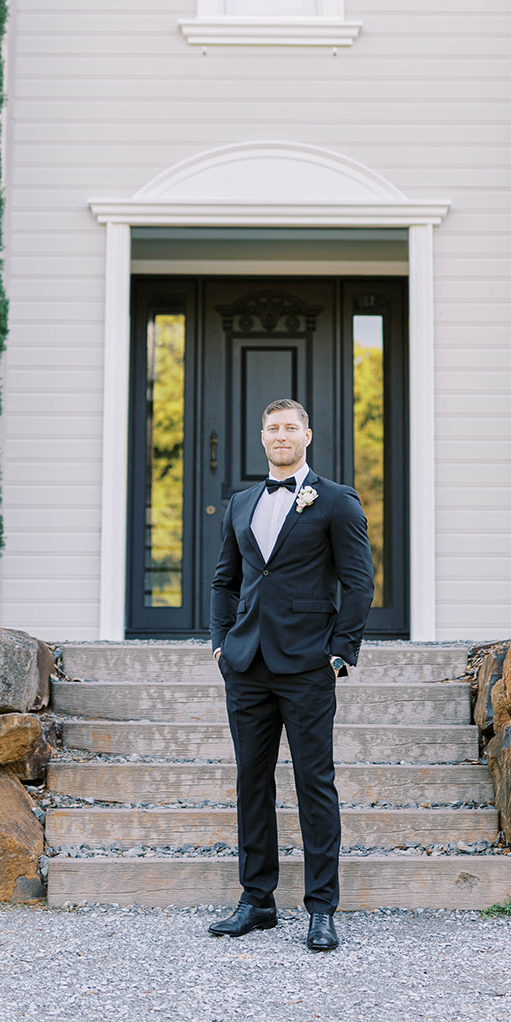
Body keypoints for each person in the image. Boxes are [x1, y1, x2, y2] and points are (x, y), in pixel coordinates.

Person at [208, 397, 374, 952]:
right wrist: (220, 643)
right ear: (262, 438)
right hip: (246, 664)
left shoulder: (337, 502)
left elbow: (358, 582)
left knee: (313, 784)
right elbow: (224, 581)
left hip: (307, 665)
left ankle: (321, 907)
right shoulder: (240, 503)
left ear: (307, 434)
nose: (281, 436)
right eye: (272, 428)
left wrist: (341, 650)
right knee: (251, 783)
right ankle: (256, 901)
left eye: (290, 427)